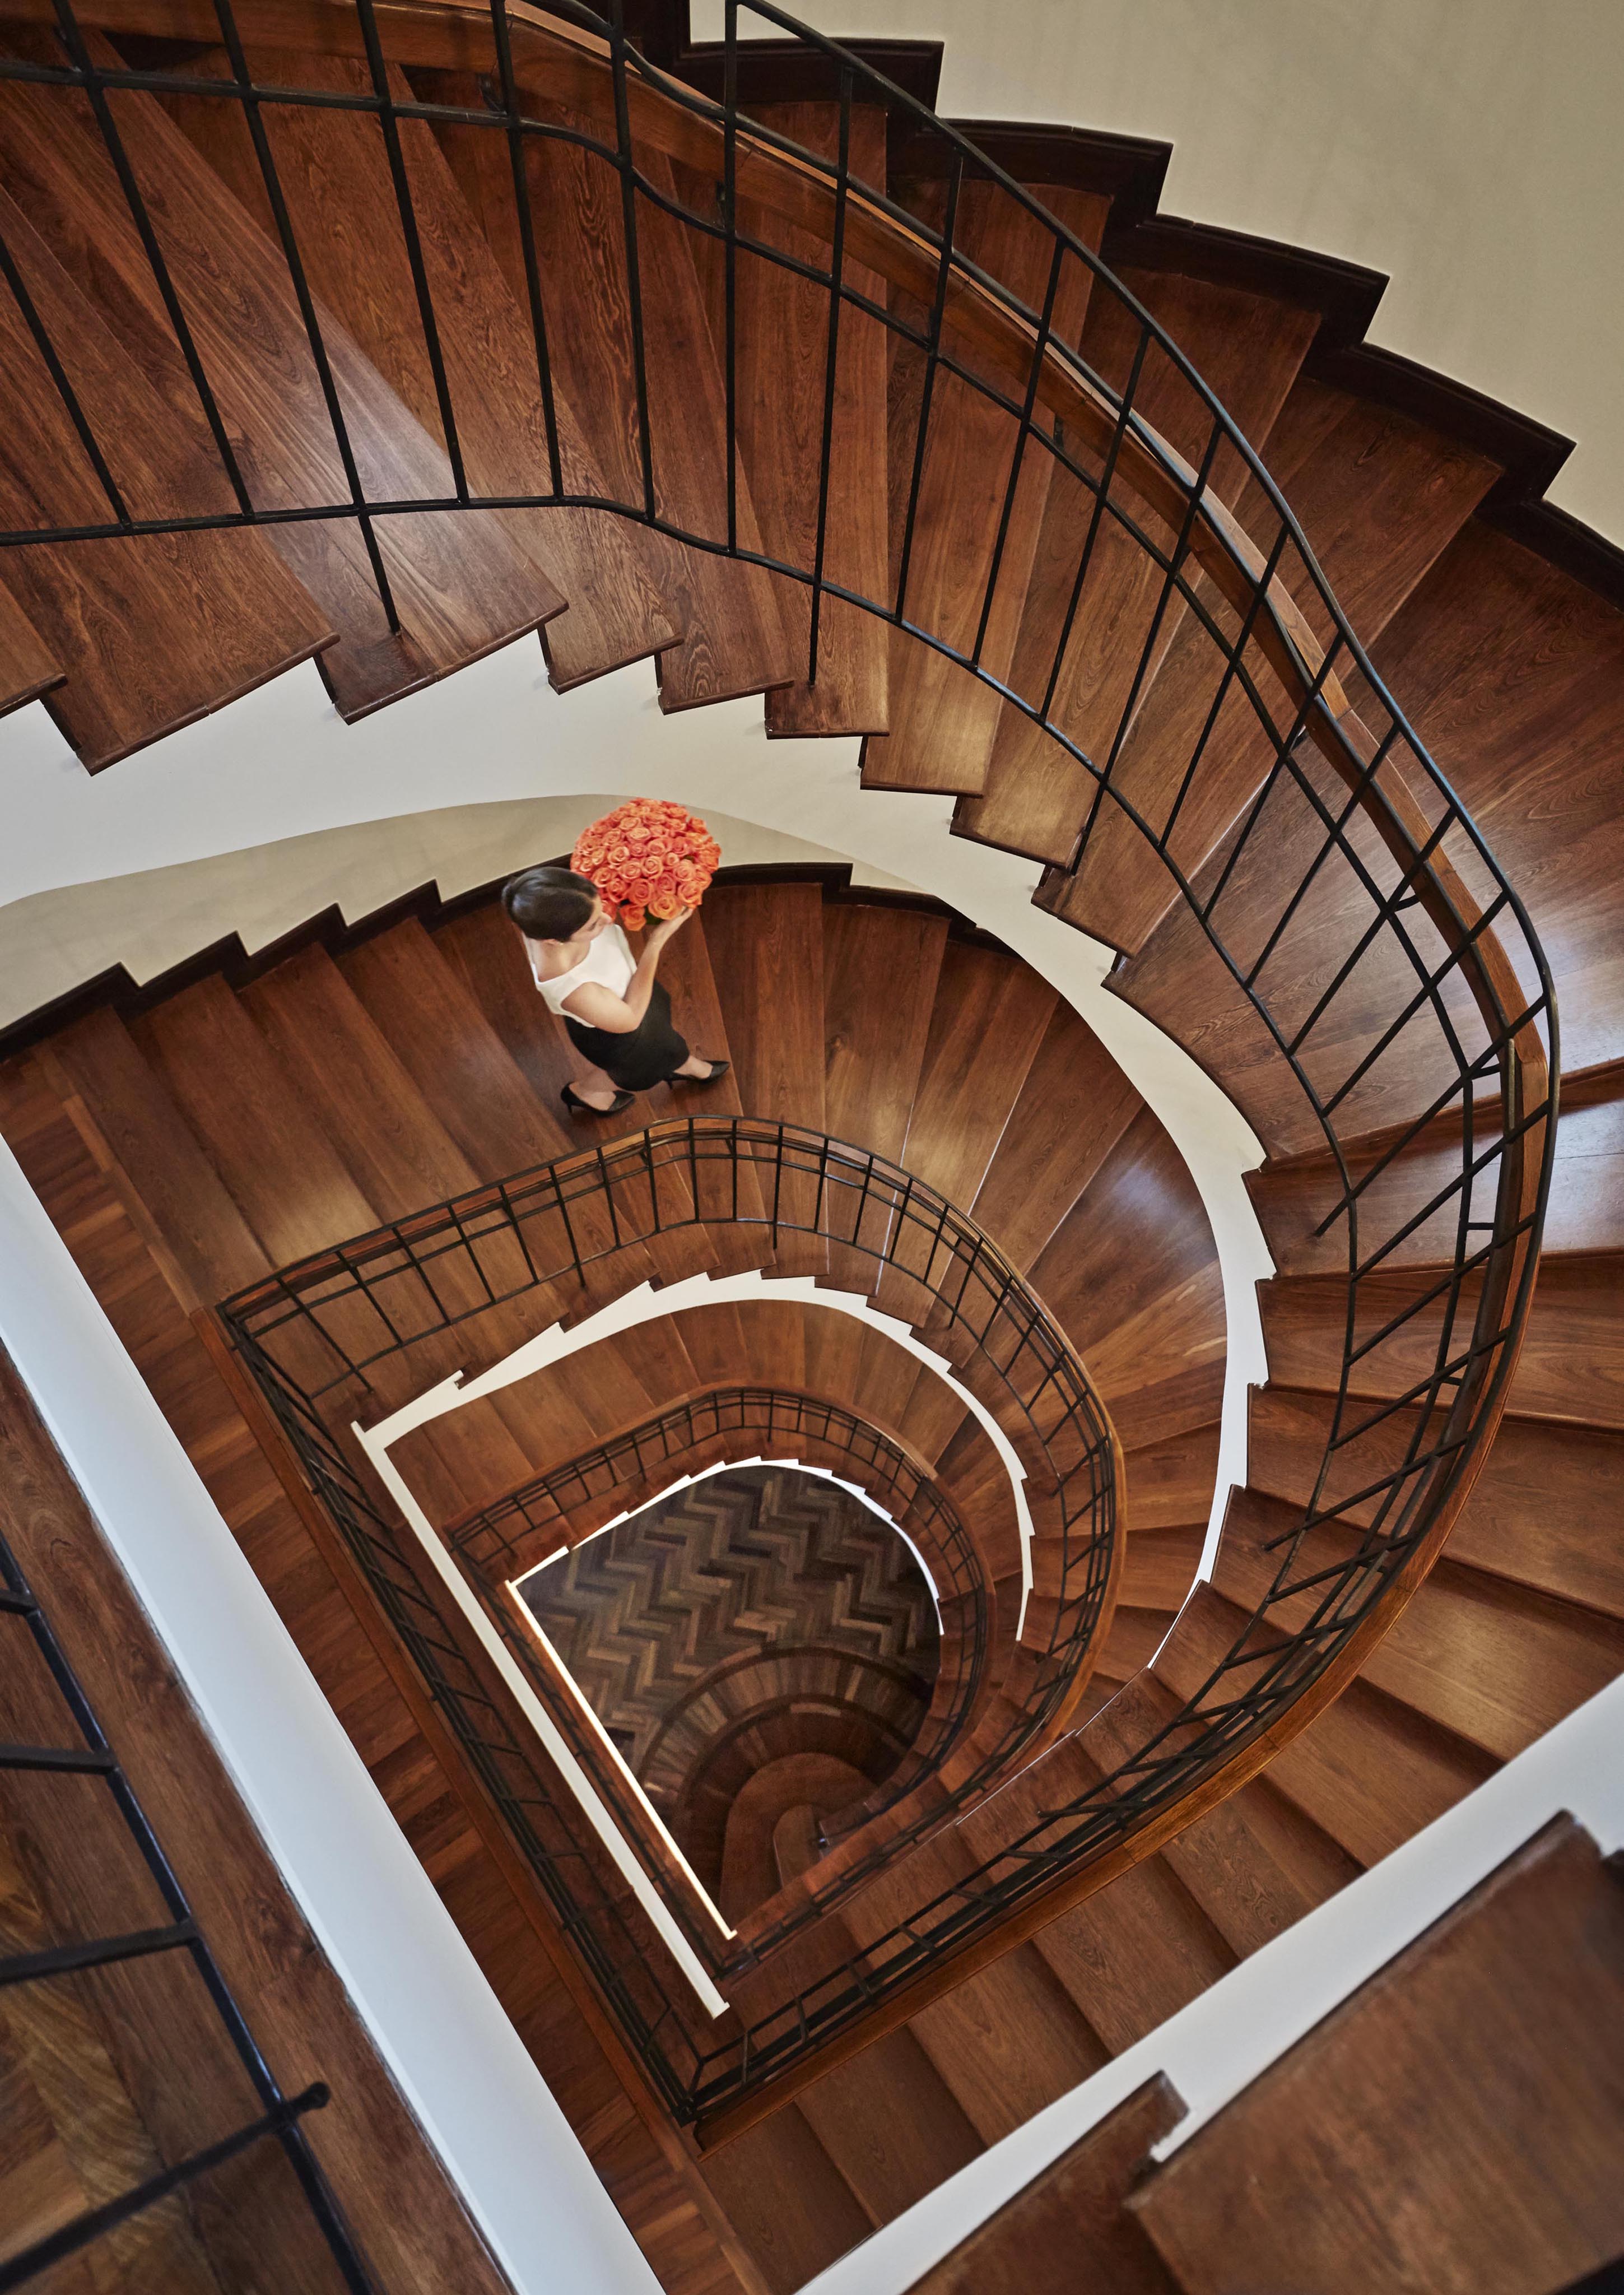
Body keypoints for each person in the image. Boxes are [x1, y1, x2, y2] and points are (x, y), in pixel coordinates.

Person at [502, 863, 728, 1117]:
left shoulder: (544, 913)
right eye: (592, 926)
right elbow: (631, 1019)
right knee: (642, 1062)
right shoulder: (572, 986)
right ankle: (584, 1092)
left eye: (599, 906)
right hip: (617, 1033)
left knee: (665, 1041)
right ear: (553, 941)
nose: (607, 919)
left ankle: (681, 1063)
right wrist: (656, 942)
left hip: (626, 997)